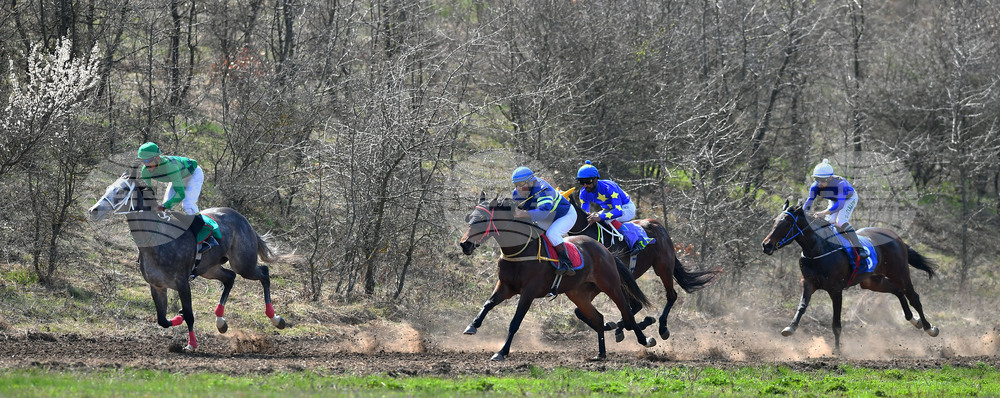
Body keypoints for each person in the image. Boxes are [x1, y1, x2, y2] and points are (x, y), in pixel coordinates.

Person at [137, 142, 217, 253]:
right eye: (143, 161)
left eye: (148, 160)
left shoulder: (170, 166)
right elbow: (148, 192)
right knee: (166, 207)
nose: (146, 164)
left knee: (188, 204)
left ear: (157, 158)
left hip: (193, 174)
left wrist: (164, 206)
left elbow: (180, 194)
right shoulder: (145, 171)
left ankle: (208, 238)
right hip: (177, 177)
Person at [576, 160, 655, 255]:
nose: (585, 185)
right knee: (594, 219)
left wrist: (600, 217)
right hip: (608, 209)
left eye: (587, 181)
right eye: (582, 182)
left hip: (625, 207)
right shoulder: (583, 193)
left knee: (607, 219)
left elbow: (618, 211)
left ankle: (638, 238)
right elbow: (585, 212)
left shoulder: (609, 187)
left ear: (596, 179)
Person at [511, 166, 578, 276]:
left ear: (531, 182)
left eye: (521, 184)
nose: (518, 188)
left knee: (552, 234)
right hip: (548, 217)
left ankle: (567, 263)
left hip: (565, 215)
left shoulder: (543, 189)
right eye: (516, 185)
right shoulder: (517, 193)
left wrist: (522, 214)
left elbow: (543, 213)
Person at [803, 158, 867, 263]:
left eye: (822, 180)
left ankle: (860, 248)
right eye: (817, 179)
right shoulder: (815, 186)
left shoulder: (840, 184)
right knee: (829, 222)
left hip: (848, 199)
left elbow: (840, 205)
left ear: (830, 178)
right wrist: (802, 211)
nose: (819, 183)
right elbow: (809, 201)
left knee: (840, 221)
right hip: (834, 200)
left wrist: (823, 213)